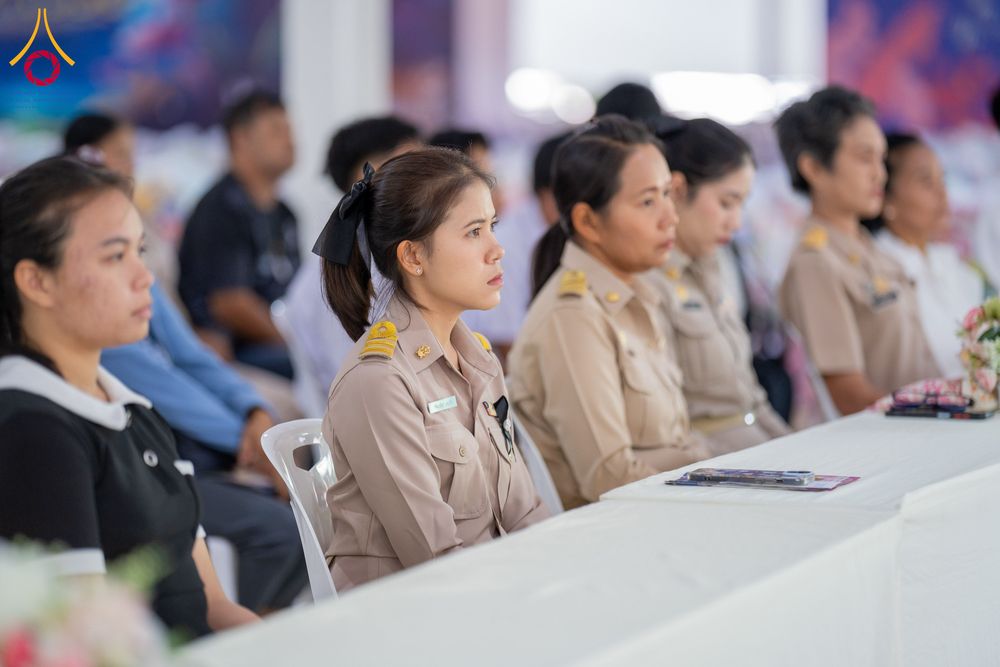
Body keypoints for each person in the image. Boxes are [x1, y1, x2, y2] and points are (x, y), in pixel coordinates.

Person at [0, 156, 257, 638]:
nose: (145, 279)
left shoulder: (133, 410)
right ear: (36, 281)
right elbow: (79, 641)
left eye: (140, 252)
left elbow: (214, 605)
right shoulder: (32, 430)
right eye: (115, 256)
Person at [318, 147, 549, 591]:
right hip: (411, 619)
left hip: (491, 592)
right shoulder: (379, 381)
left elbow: (524, 511)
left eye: (493, 227)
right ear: (412, 257)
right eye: (474, 232)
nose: (497, 250)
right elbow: (435, 557)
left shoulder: (479, 359)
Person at [508, 116, 710, 510]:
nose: (671, 216)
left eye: (669, 194)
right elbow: (609, 477)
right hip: (617, 532)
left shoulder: (638, 295)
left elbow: (677, 440)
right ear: (588, 221)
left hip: (664, 507)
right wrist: (705, 468)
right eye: (648, 201)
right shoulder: (574, 317)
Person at [101, 281, 307, 612]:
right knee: (280, 531)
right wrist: (253, 442)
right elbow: (163, 386)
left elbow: (193, 357)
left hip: (195, 453)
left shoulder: (140, 282)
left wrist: (253, 410)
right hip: (157, 466)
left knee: (301, 514)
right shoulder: (100, 326)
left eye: (139, 250)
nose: (141, 273)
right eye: (117, 254)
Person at [775, 86, 939, 415]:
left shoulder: (866, 246)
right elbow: (849, 395)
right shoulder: (816, 262)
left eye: (880, 159)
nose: (880, 174)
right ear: (814, 168)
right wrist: (944, 411)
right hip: (891, 441)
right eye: (864, 158)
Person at [645, 118, 791, 454]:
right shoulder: (648, 282)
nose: (736, 222)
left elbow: (750, 398)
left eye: (741, 204)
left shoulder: (712, 268)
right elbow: (668, 426)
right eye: (727, 203)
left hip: (755, 446)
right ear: (678, 191)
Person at [282, 116, 421, 406]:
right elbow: (361, 387)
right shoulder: (337, 274)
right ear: (370, 173)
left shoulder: (393, 256)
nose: (429, 183)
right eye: (413, 167)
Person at [178, 90, 299, 378]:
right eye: (275, 130)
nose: (290, 140)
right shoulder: (220, 209)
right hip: (239, 350)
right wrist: (300, 346)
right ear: (240, 139)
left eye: (290, 130)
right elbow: (230, 304)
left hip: (279, 340)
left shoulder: (286, 213)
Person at [867, 133, 987, 378]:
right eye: (926, 181)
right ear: (886, 197)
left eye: (942, 179)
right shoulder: (877, 270)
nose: (942, 193)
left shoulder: (950, 263)